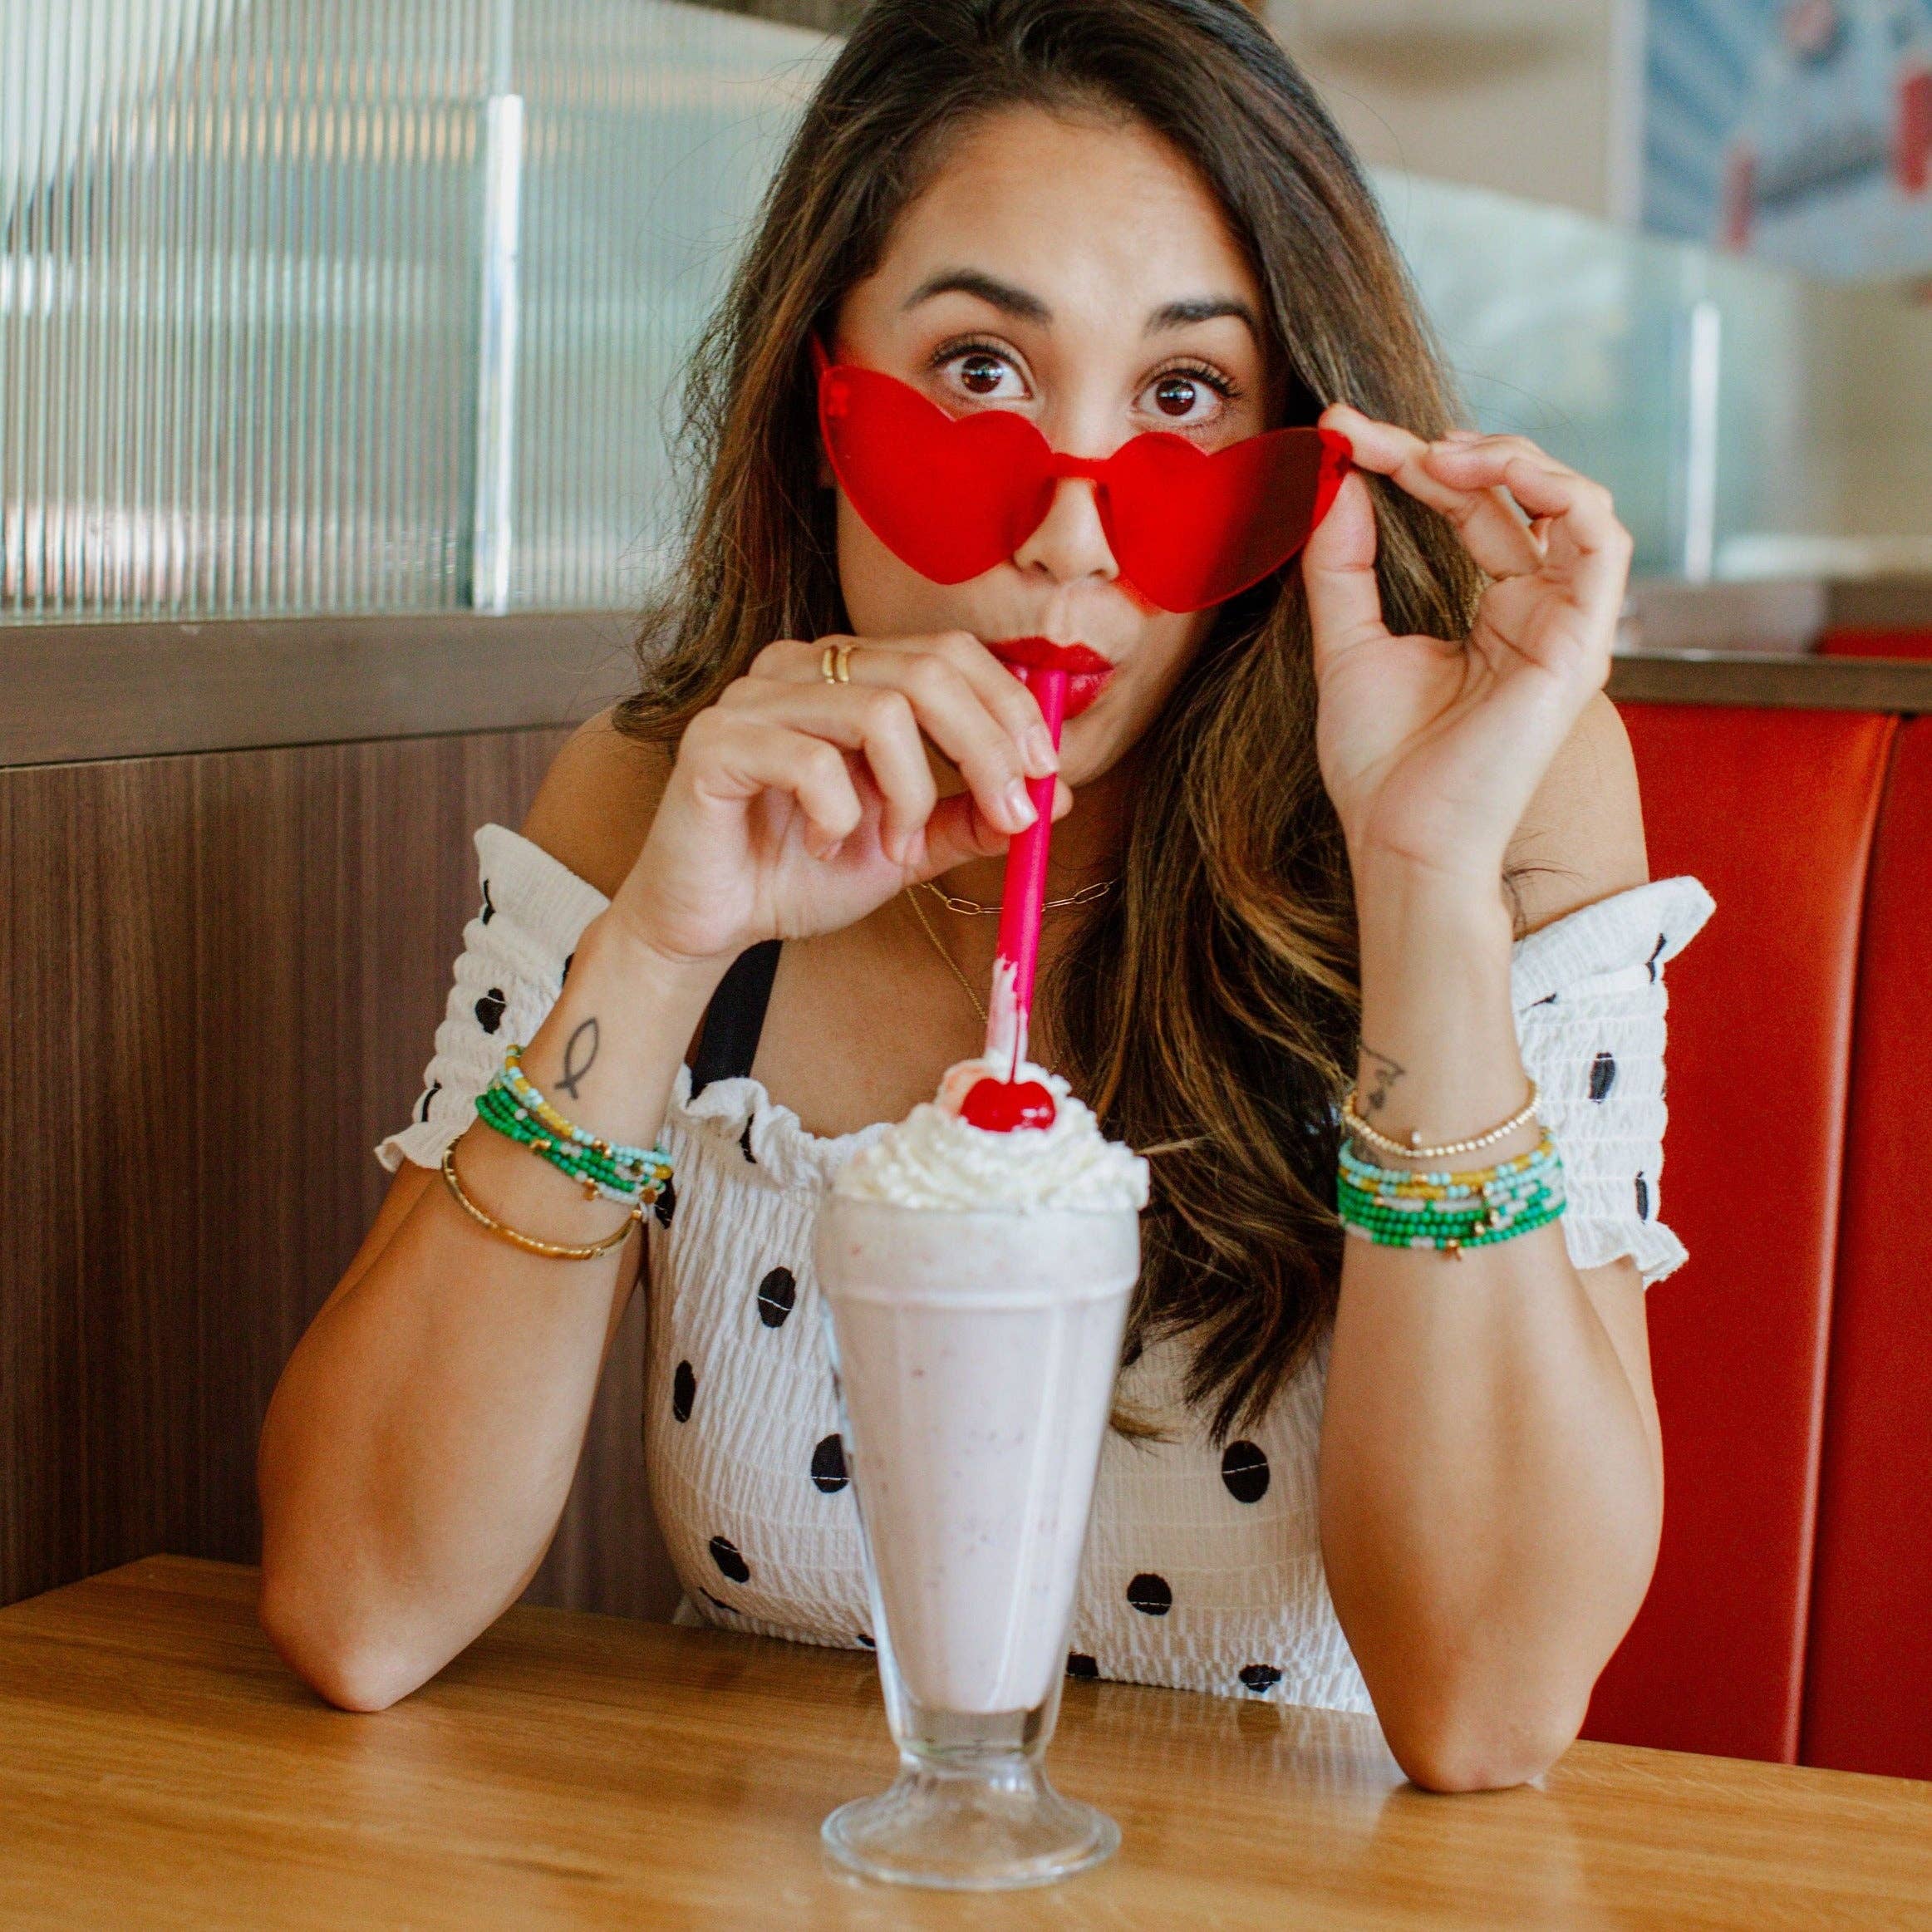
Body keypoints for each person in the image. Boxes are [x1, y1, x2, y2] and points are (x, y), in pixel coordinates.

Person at [258, 0, 1711, 1792]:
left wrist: (1419, 892)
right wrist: (652, 947)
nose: (1074, 539)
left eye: (1182, 395)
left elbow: (1484, 1706)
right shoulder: (660, 801)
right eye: (978, 372)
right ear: (817, 400)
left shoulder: (1493, 808)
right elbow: (358, 1601)